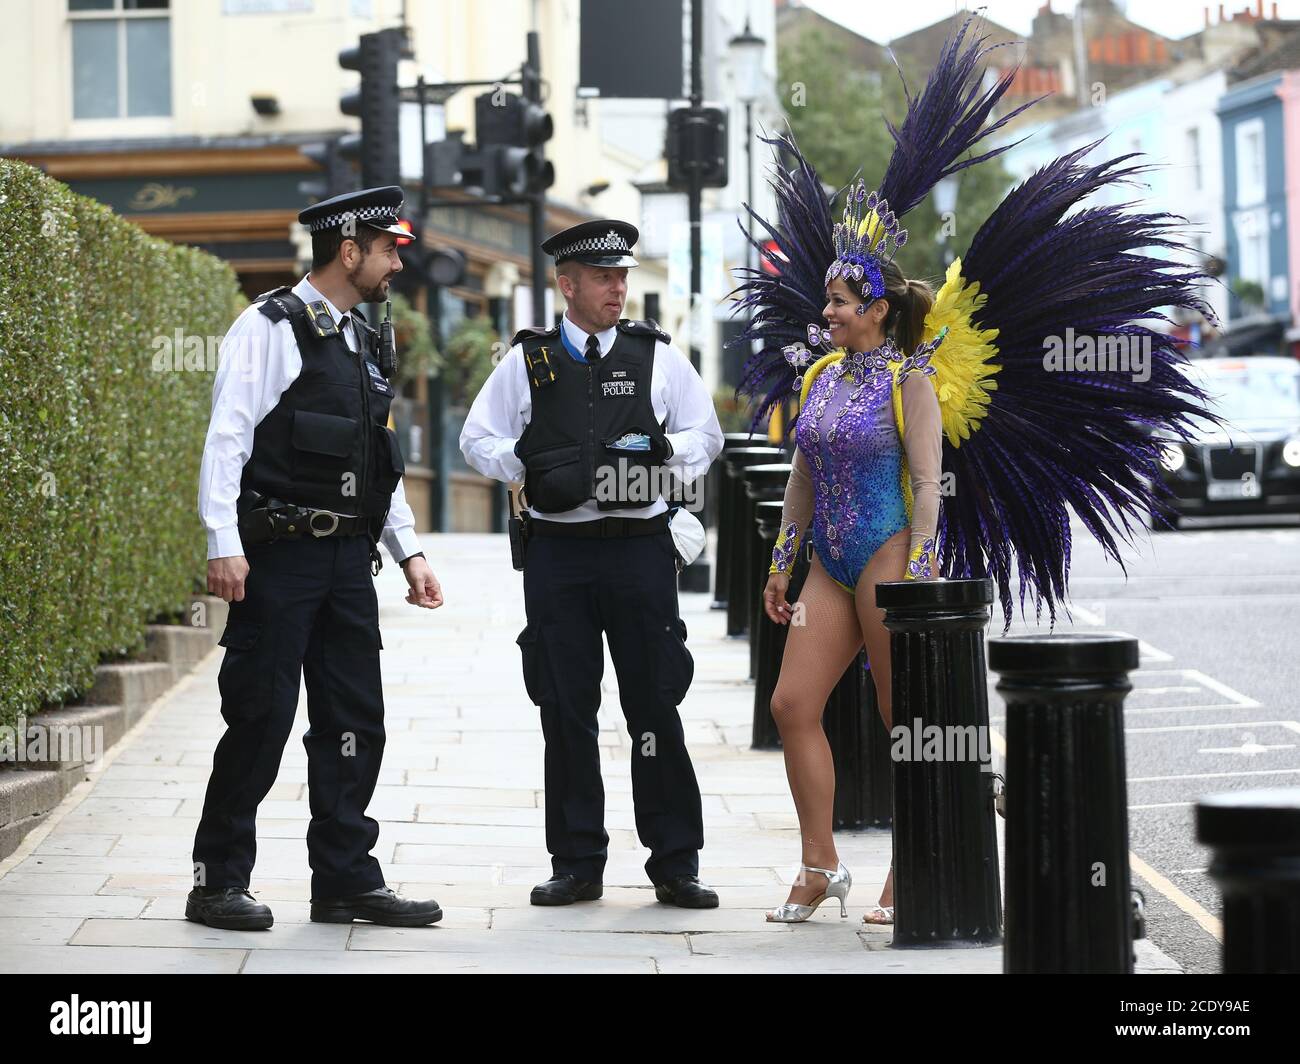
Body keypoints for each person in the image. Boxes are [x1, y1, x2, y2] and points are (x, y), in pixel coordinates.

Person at [732, 16, 1221, 927]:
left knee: (904, 724)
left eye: (838, 300)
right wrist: (781, 562)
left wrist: (918, 563)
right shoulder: (821, 376)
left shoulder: (914, 383)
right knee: (793, 701)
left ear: (874, 307)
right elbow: (801, 475)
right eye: (828, 300)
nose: (825, 310)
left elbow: (927, 482)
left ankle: (908, 873)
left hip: (887, 555)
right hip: (830, 559)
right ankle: (817, 863)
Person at [189, 186, 445, 931]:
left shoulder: (365, 342)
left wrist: (410, 552)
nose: (398, 262)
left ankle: (344, 880)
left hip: (347, 566)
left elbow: (378, 461)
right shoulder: (267, 328)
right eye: (390, 249)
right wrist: (222, 542)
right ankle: (216, 880)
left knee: (354, 722)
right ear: (349, 250)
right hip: (277, 562)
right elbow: (227, 439)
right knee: (260, 718)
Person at [460, 219, 725, 907]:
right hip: (559, 555)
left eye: (623, 276)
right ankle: (576, 862)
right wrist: (533, 464)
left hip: (639, 551)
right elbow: (475, 439)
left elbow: (707, 433)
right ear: (567, 283)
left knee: (655, 707)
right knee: (565, 709)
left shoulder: (656, 356)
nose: (618, 287)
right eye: (604, 277)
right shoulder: (528, 361)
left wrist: (668, 461)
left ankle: (675, 862)